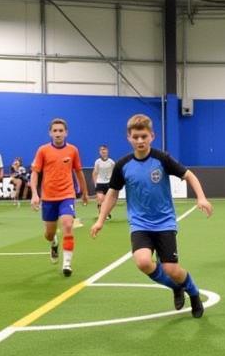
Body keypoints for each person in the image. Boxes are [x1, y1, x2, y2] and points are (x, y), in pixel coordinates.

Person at [91, 114, 212, 317]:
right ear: (128, 137)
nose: (140, 141)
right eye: (136, 136)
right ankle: (175, 287)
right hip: (139, 223)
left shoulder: (162, 159)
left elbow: (188, 175)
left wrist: (201, 198)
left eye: (144, 136)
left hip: (164, 223)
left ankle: (192, 291)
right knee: (143, 262)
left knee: (172, 269)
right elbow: (112, 193)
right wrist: (101, 220)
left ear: (152, 136)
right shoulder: (122, 165)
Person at [29, 118, 89, 278]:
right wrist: (34, 193)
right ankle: (54, 242)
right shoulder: (42, 150)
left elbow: (78, 171)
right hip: (48, 197)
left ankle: (67, 264)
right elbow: (35, 172)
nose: (58, 133)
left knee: (68, 225)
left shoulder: (73, 150)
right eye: (55, 130)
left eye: (61, 130)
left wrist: (84, 192)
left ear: (66, 133)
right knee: (49, 233)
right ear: (50, 133)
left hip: (67, 195)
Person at [92, 145, 116, 220]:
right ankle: (101, 215)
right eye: (101, 150)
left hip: (108, 183)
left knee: (107, 200)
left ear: (107, 151)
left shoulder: (111, 162)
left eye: (104, 150)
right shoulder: (97, 162)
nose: (103, 151)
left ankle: (106, 213)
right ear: (99, 152)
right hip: (99, 182)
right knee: (100, 198)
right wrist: (95, 183)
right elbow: (95, 173)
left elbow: (114, 173)